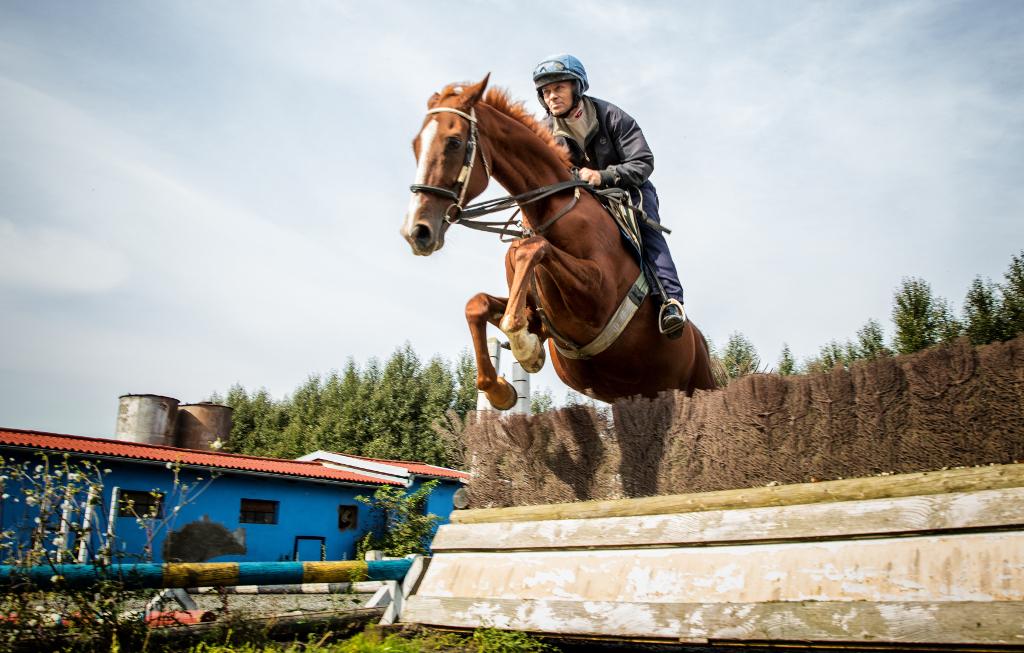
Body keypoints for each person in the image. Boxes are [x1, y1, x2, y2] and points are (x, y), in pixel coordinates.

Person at [532, 54, 687, 338]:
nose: (551, 96)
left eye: (558, 88)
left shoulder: (611, 115)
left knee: (648, 230)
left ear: (577, 87)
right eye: (546, 91)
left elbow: (643, 161)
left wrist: (602, 176)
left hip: (629, 191)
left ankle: (670, 301)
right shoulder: (544, 132)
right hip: (581, 200)